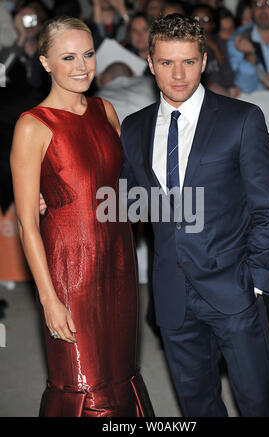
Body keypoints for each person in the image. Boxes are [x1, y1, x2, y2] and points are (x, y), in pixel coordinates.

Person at [120, 14, 269, 417]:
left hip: (234, 289)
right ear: (149, 61)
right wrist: (55, 202)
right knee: (197, 407)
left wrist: (258, 281)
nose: (178, 74)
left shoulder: (241, 119)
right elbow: (128, 202)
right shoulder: (133, 127)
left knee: (259, 404)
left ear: (205, 61)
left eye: (189, 62)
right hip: (173, 294)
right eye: (166, 63)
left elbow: (268, 208)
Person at [10, 16, 154, 417]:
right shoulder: (32, 125)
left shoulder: (105, 110)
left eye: (88, 54)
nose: (81, 66)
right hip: (70, 270)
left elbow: (124, 186)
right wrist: (49, 300)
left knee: (120, 370)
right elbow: (26, 224)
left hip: (118, 262)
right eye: (68, 57)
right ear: (45, 63)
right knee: (82, 382)